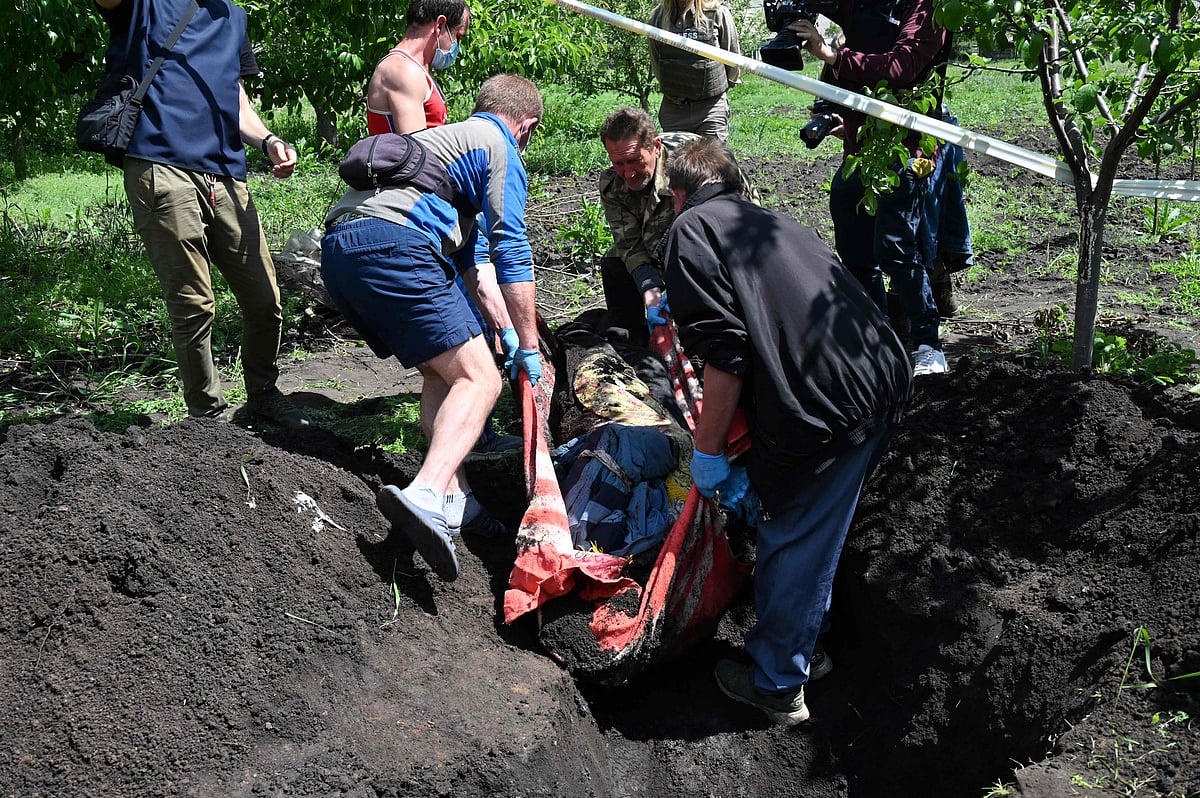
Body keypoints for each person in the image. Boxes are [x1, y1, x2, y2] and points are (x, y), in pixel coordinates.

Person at [660, 137, 912, 725]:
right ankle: (809, 644)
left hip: (827, 404)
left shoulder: (690, 231)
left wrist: (707, 452)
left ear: (679, 196)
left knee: (791, 534)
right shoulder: (767, 220)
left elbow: (726, 356)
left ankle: (776, 682)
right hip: (883, 376)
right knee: (816, 531)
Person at [321, 75, 544, 582]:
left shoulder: (441, 146)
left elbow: (475, 266)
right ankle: (425, 493)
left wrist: (504, 330)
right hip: (394, 245)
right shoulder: (499, 146)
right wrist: (529, 346)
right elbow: (511, 248)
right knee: (480, 380)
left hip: (340, 253)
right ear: (526, 125)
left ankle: (456, 497)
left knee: (444, 372)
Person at [89, 0, 309, 427]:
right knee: (194, 303)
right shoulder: (145, 5)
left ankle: (262, 392)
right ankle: (207, 419)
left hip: (226, 173)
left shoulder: (234, 15)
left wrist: (267, 141)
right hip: (160, 163)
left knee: (266, 300)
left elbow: (235, 96)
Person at [791, 0, 953, 376]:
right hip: (860, 149)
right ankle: (878, 340)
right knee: (855, 251)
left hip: (907, 150)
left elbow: (902, 67)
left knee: (897, 250)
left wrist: (832, 55)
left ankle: (928, 345)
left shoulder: (929, 7)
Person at [597, 106, 754, 345]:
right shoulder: (613, 184)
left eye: (634, 161)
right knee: (614, 264)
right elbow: (628, 243)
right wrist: (650, 287)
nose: (628, 173)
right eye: (618, 163)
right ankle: (638, 346)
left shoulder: (694, 166)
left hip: (712, 249)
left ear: (656, 147)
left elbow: (738, 223)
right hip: (659, 248)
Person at [366, 0, 469, 135]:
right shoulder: (403, 71)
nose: (457, 45)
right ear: (440, 25)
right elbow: (415, 151)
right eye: (458, 37)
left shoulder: (418, 69)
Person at [648, 0, 741, 141]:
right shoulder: (657, 18)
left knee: (713, 161)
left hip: (710, 108)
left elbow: (733, 60)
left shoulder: (717, 13)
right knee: (678, 162)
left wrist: (717, 91)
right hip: (675, 110)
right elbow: (656, 63)